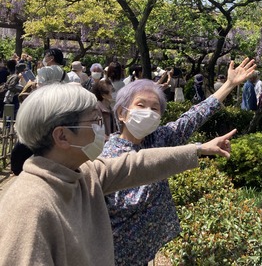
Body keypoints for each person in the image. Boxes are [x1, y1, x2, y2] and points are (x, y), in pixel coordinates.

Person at [0, 83, 234, 265]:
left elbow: (138, 164)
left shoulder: (82, 173)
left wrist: (199, 149)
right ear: (62, 136)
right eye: (93, 122)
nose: (101, 129)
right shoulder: (31, 205)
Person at [101, 57, 256, 265]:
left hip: (143, 252)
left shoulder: (159, 139)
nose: (148, 112)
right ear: (122, 113)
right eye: (141, 105)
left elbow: (194, 116)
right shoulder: (108, 156)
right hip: (113, 253)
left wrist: (229, 85)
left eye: (155, 108)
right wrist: (199, 148)